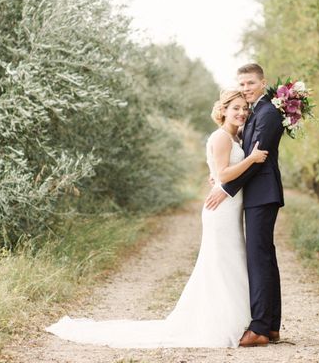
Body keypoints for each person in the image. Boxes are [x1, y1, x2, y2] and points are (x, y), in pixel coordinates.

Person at [45, 90, 269, 348]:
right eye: (236, 108)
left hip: (230, 208)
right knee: (221, 264)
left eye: (244, 109)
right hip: (221, 211)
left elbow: (217, 174)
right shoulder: (221, 137)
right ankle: (219, 324)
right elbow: (225, 174)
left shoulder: (234, 137)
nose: (241, 113)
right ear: (224, 110)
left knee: (229, 263)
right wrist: (251, 159)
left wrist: (220, 174)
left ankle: (235, 319)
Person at [204, 63, 285, 348]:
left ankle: (261, 328)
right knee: (263, 256)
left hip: (262, 193)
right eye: (242, 84)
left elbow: (257, 158)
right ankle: (271, 325)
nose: (246, 89)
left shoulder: (268, 113)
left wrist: (225, 189)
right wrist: (219, 176)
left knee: (259, 258)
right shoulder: (254, 114)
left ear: (263, 83)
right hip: (255, 195)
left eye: (250, 83)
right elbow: (237, 159)